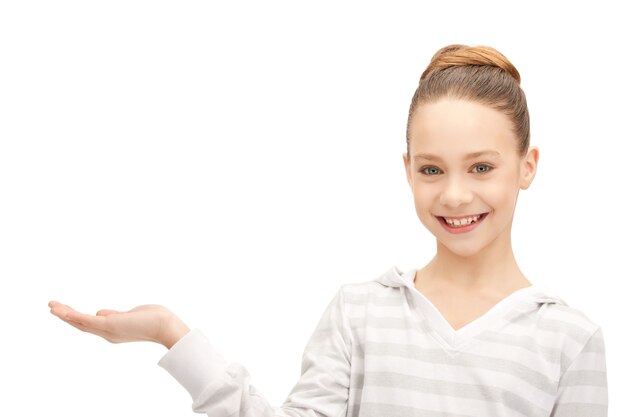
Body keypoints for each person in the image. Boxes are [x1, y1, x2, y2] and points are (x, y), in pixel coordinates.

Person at [48, 44, 608, 416]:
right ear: (407, 170)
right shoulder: (359, 312)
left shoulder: (567, 339)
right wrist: (173, 334)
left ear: (527, 166)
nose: (455, 194)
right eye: (431, 169)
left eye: (481, 167)